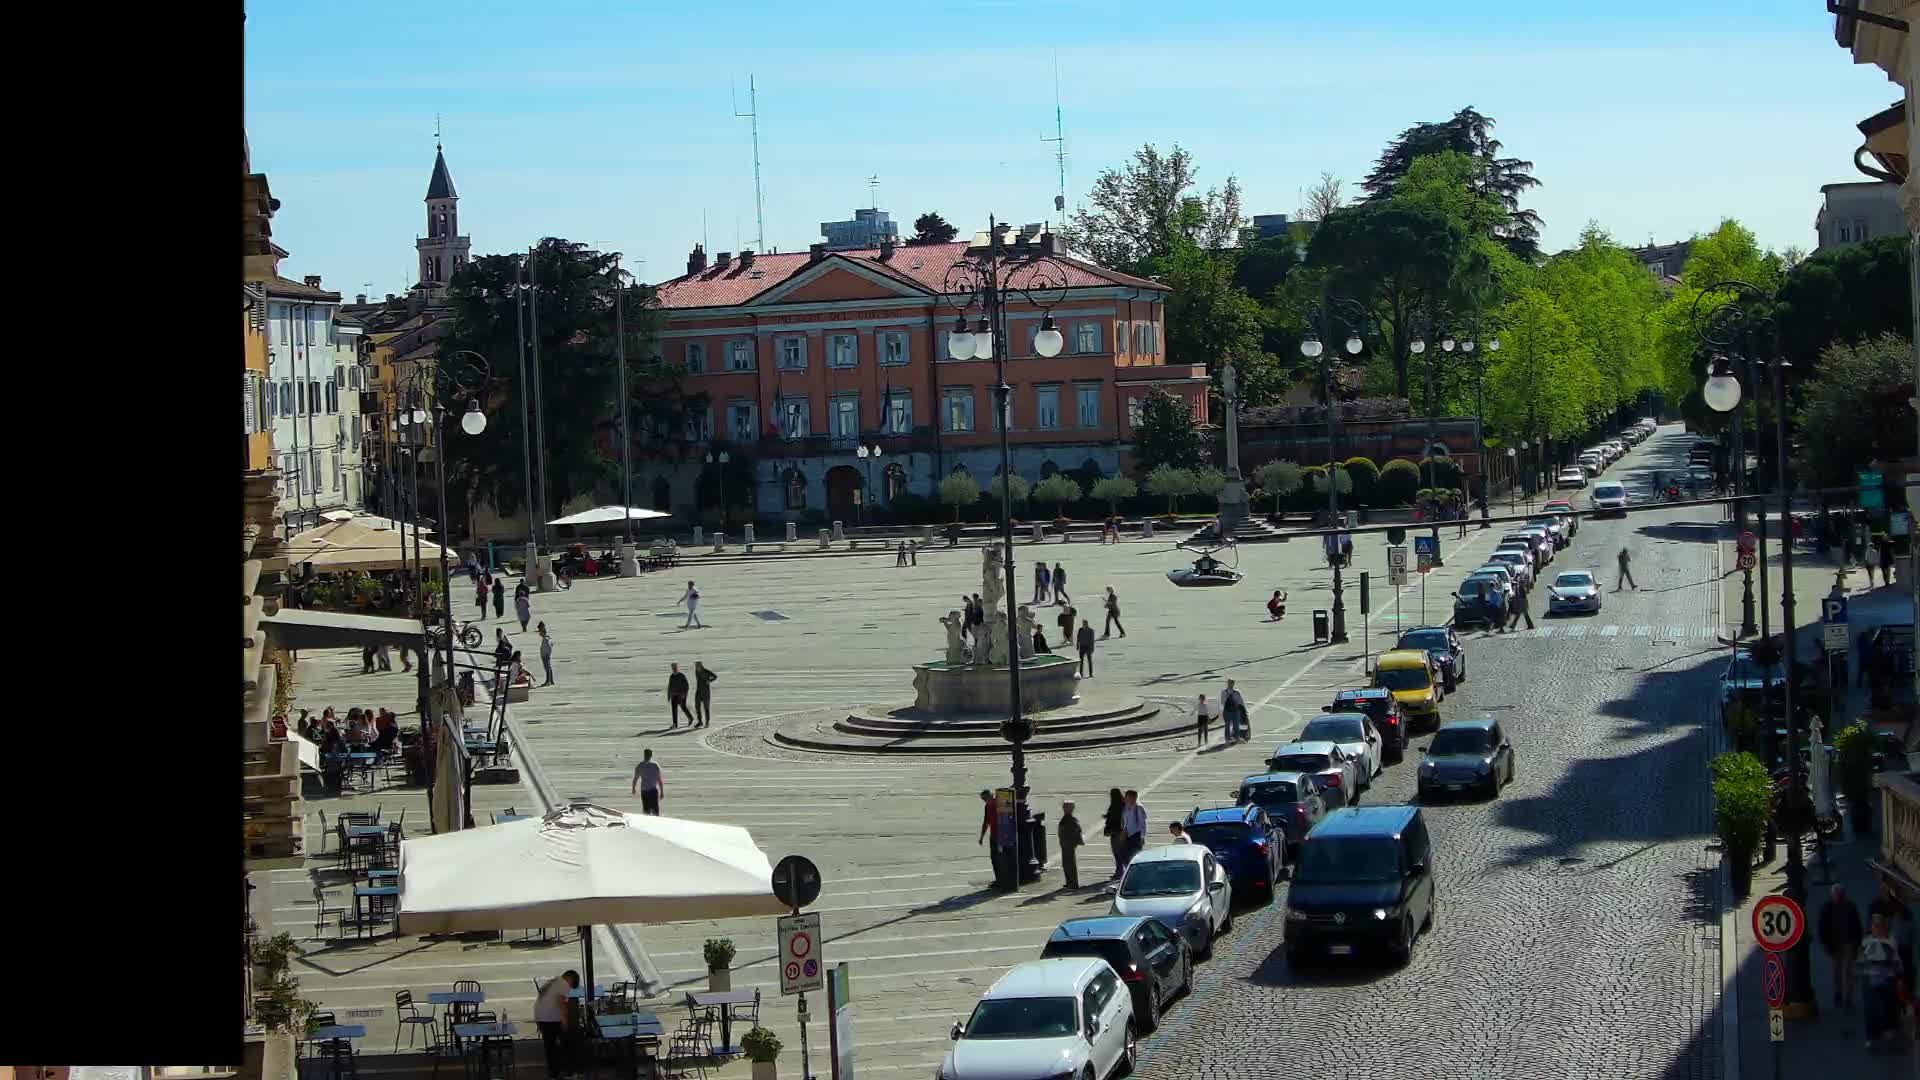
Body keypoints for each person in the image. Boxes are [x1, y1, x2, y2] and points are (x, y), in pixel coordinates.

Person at [1820, 882, 1865, 1009]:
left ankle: (1848, 997)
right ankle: (1839, 995)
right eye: (1837, 894)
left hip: (1849, 943)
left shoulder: (1850, 907)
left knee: (1848, 972)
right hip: (1835, 944)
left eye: (1841, 894)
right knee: (1837, 971)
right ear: (1833, 895)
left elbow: (1857, 925)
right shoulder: (1828, 908)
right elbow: (1822, 927)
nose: (1839, 897)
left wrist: (1857, 943)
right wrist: (1826, 944)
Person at [1862, 912, 1904, 1048]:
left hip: (1887, 979)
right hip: (1871, 980)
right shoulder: (1866, 941)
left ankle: (1888, 1028)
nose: (1877, 928)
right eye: (1875, 926)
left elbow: (1896, 961)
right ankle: (1871, 1036)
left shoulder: (1891, 941)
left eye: (1879, 926)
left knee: (1888, 1006)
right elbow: (1862, 960)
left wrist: (1899, 977)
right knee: (1871, 1009)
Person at [534, 969, 580, 1079]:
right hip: (551, 1018)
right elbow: (561, 1002)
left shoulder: (553, 982)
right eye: (572, 985)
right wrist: (565, 1020)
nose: (570, 988)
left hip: (541, 1017)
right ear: (570, 979)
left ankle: (553, 1074)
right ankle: (569, 1072)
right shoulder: (563, 984)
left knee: (550, 1047)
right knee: (568, 1042)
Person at [1058, 800, 1084, 889]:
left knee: (1070, 864)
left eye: (1066, 807)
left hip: (1068, 844)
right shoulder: (1067, 818)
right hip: (1066, 844)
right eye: (1064, 807)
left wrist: (1072, 841)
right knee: (1066, 864)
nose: (1064, 808)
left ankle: (1072, 883)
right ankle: (1069, 881)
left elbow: (1077, 830)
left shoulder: (1070, 820)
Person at [1102, 789, 1127, 879]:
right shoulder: (1124, 805)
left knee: (1117, 854)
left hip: (1115, 833)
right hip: (1121, 832)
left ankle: (1119, 872)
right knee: (1120, 854)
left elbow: (1114, 818)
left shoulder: (1114, 806)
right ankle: (1120, 872)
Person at [631, 749, 664, 815]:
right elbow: (659, 779)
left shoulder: (640, 765)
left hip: (644, 790)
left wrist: (633, 788)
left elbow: (635, 778)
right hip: (653, 790)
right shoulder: (655, 765)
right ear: (651, 755)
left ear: (644, 755)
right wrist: (662, 792)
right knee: (655, 811)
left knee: (646, 810)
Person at [1121, 790, 1147, 868]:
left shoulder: (1138, 808)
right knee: (1125, 857)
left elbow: (1142, 824)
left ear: (1134, 798)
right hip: (1126, 835)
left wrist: (1142, 837)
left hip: (1136, 836)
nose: (1126, 799)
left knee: (1134, 857)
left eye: (1128, 798)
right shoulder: (1125, 807)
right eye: (1126, 797)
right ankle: (1126, 872)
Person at [667, 663, 694, 728]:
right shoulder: (671, 676)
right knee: (674, 709)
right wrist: (669, 695)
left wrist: (684, 694)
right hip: (674, 695)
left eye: (675, 667)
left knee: (683, 707)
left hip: (681, 695)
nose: (674, 669)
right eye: (673, 668)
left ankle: (690, 718)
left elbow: (686, 686)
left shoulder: (681, 675)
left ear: (677, 667)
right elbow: (669, 686)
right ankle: (675, 724)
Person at [1223, 679, 1249, 743]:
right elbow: (1222, 702)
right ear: (1228, 683)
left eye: (1232, 683)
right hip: (1228, 711)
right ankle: (1228, 738)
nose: (1231, 684)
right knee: (1228, 725)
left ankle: (1235, 738)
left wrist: (1245, 710)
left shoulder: (1236, 692)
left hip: (1234, 711)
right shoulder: (1225, 692)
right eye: (1230, 682)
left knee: (1236, 725)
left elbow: (1241, 702)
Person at [693, 661, 717, 727]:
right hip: (698, 691)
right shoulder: (696, 671)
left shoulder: (706, 671)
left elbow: (715, 676)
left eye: (698, 665)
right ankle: (700, 722)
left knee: (706, 708)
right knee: (697, 706)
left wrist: (709, 681)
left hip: (706, 692)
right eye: (696, 666)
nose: (696, 667)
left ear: (701, 665)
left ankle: (707, 722)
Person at [537, 622, 556, 686]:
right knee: (548, 667)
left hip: (545, 655)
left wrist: (546, 654)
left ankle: (548, 681)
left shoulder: (546, 639)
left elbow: (549, 647)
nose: (539, 633)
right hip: (545, 655)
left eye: (540, 632)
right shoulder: (547, 639)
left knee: (547, 668)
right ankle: (551, 680)